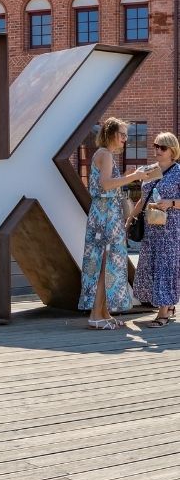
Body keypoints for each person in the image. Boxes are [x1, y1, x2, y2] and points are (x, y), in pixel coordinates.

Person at [79, 118, 154, 329]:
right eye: (122, 134)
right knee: (106, 264)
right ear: (111, 134)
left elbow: (107, 184)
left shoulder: (103, 154)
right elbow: (105, 185)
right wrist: (134, 176)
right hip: (105, 216)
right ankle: (96, 316)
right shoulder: (105, 154)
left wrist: (125, 176)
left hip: (104, 213)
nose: (125, 138)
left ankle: (103, 313)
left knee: (106, 263)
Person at [135, 132, 180, 326]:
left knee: (165, 267)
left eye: (163, 147)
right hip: (151, 228)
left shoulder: (178, 172)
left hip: (170, 229)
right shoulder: (149, 170)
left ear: (172, 150)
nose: (158, 150)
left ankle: (163, 314)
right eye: (156, 146)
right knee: (151, 267)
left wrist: (171, 202)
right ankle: (168, 306)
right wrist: (130, 219)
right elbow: (142, 199)